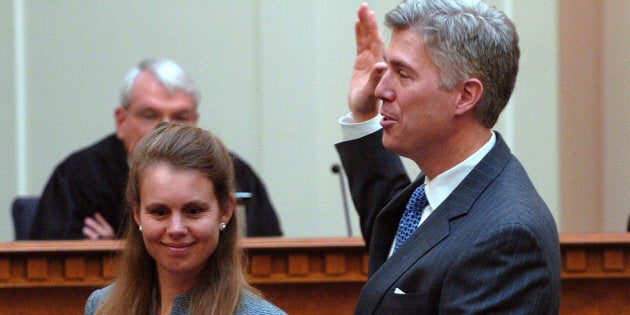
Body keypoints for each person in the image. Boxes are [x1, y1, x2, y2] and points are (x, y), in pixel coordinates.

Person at [335, 1, 561, 313]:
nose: (380, 89)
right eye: (386, 68)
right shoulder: (437, 191)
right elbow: (398, 243)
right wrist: (364, 115)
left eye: (401, 73)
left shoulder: (507, 237)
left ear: (465, 96)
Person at [30, 57, 282, 240]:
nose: (165, 128)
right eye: (150, 115)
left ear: (195, 119)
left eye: (180, 116)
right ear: (121, 120)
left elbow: (266, 257)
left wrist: (118, 245)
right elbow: (48, 265)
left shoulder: (233, 174)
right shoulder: (78, 176)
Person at [84, 123, 286, 314]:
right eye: (160, 212)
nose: (176, 229)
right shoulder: (102, 306)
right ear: (137, 214)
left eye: (194, 211)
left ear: (225, 210)